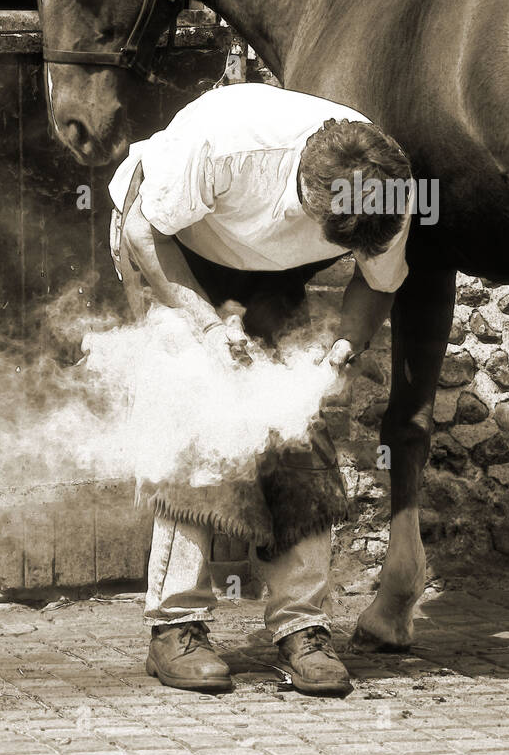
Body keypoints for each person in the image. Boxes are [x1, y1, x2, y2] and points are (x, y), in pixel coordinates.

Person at [109, 81, 414, 698]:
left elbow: (378, 281)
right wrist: (206, 327)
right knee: (196, 415)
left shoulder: (387, 184)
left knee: (299, 430)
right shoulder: (225, 144)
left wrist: (343, 348)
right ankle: (175, 627)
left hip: (272, 274)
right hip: (172, 250)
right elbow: (145, 234)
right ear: (305, 192)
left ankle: (302, 628)